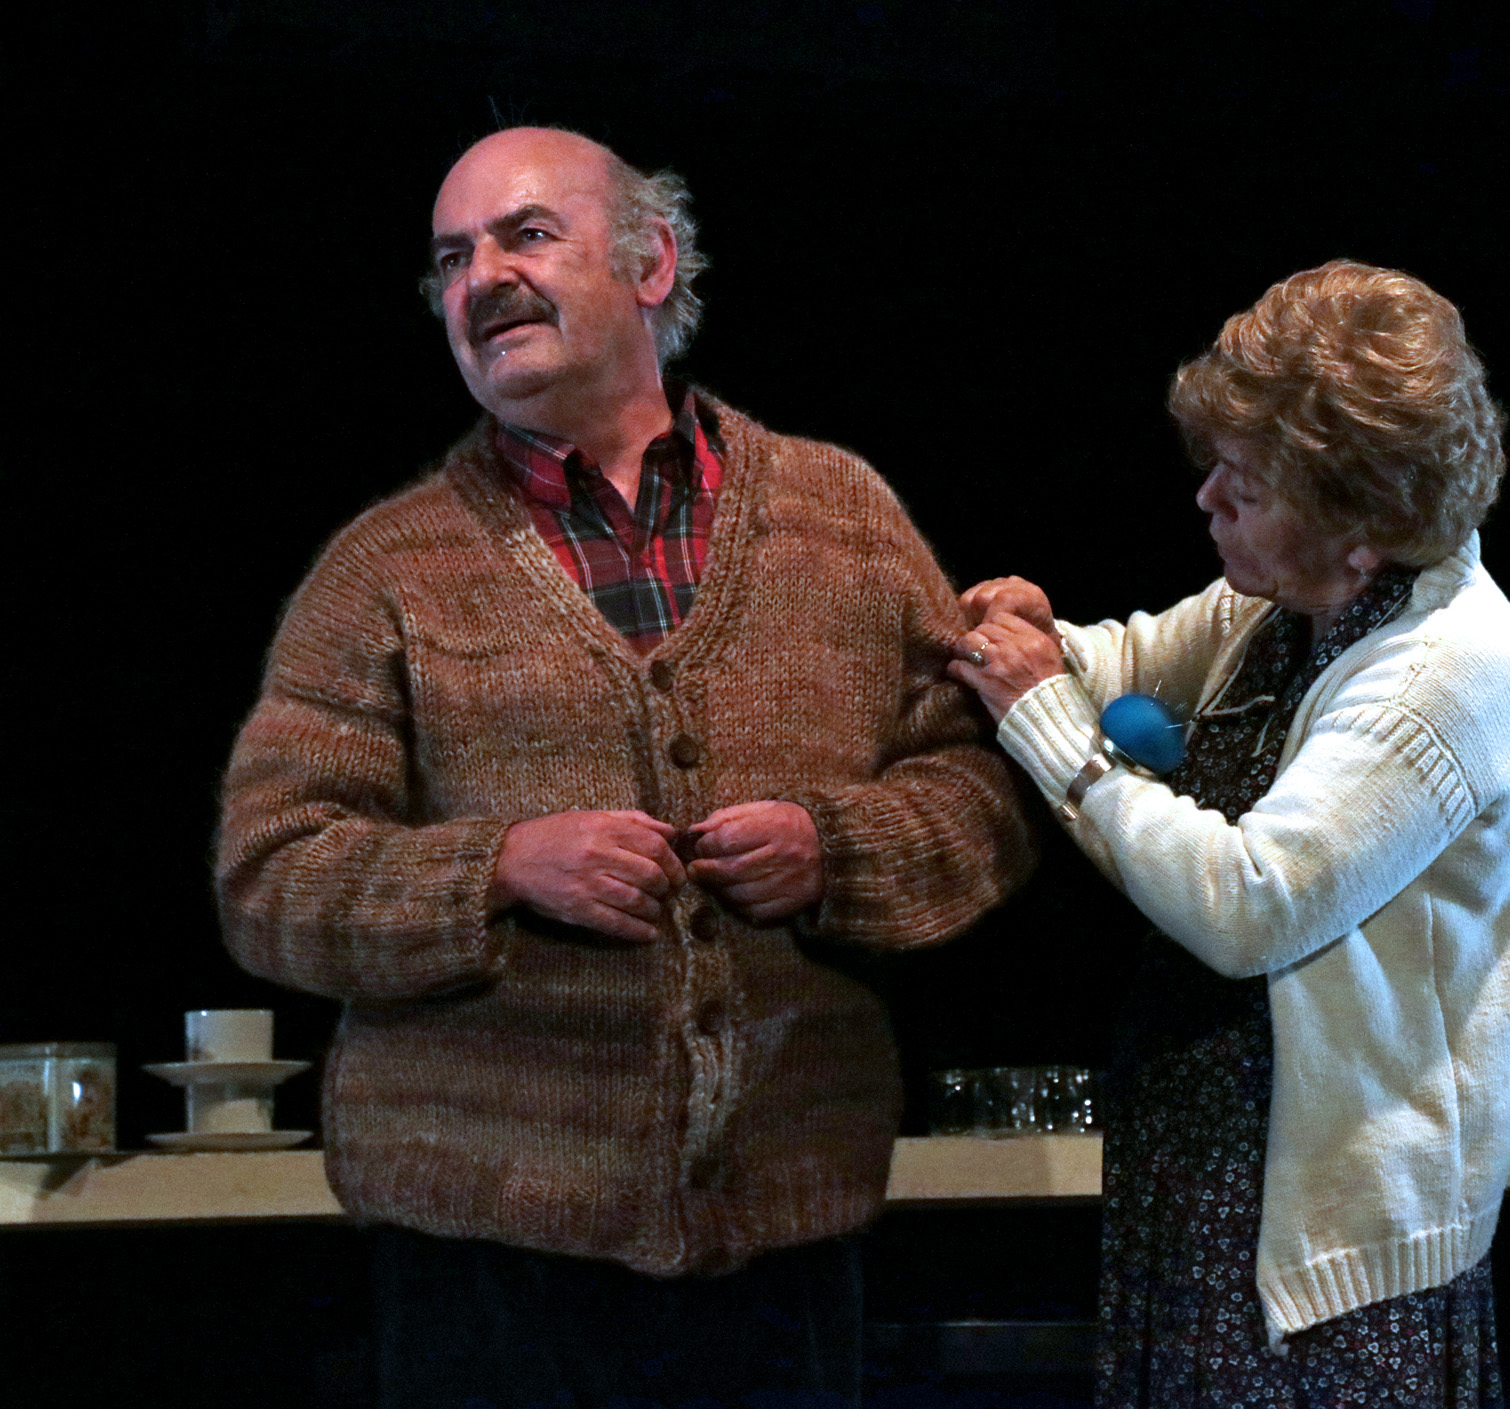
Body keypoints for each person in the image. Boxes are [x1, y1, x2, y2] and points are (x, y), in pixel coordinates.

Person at [215, 127, 1032, 1408]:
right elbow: (270, 875)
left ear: (651, 264)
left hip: (785, 1248)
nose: (481, 278)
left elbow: (980, 792)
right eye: (451, 258)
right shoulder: (384, 569)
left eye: (526, 235)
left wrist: (835, 848)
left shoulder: (841, 515)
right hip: (487, 1267)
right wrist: (498, 868)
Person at [951, 260, 1510, 1407]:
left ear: (1360, 532)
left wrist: (1045, 720)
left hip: (1324, 1267)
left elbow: (1249, 904)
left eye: (1248, 484)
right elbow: (1134, 659)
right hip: (1202, 1185)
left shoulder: (1443, 672)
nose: (1207, 499)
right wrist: (1047, 644)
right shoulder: (1292, 600)